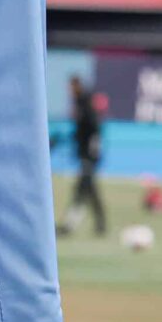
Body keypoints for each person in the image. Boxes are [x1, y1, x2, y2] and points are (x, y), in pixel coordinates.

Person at [57, 76, 106, 236]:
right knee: (90, 188)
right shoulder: (80, 102)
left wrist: (92, 152)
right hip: (85, 153)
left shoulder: (85, 102)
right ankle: (101, 224)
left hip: (89, 155)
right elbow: (81, 130)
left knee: (81, 188)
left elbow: (94, 129)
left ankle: (69, 225)